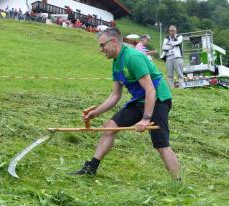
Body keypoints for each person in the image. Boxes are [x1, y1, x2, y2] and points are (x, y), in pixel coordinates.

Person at [72, 27, 181, 180]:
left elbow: (150, 90)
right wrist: (95, 113)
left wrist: (145, 118)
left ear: (114, 42)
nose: (101, 49)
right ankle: (91, 168)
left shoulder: (133, 57)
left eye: (103, 45)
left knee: (161, 144)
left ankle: (178, 182)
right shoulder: (116, 63)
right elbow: (115, 95)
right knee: (109, 127)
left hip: (158, 99)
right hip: (139, 100)